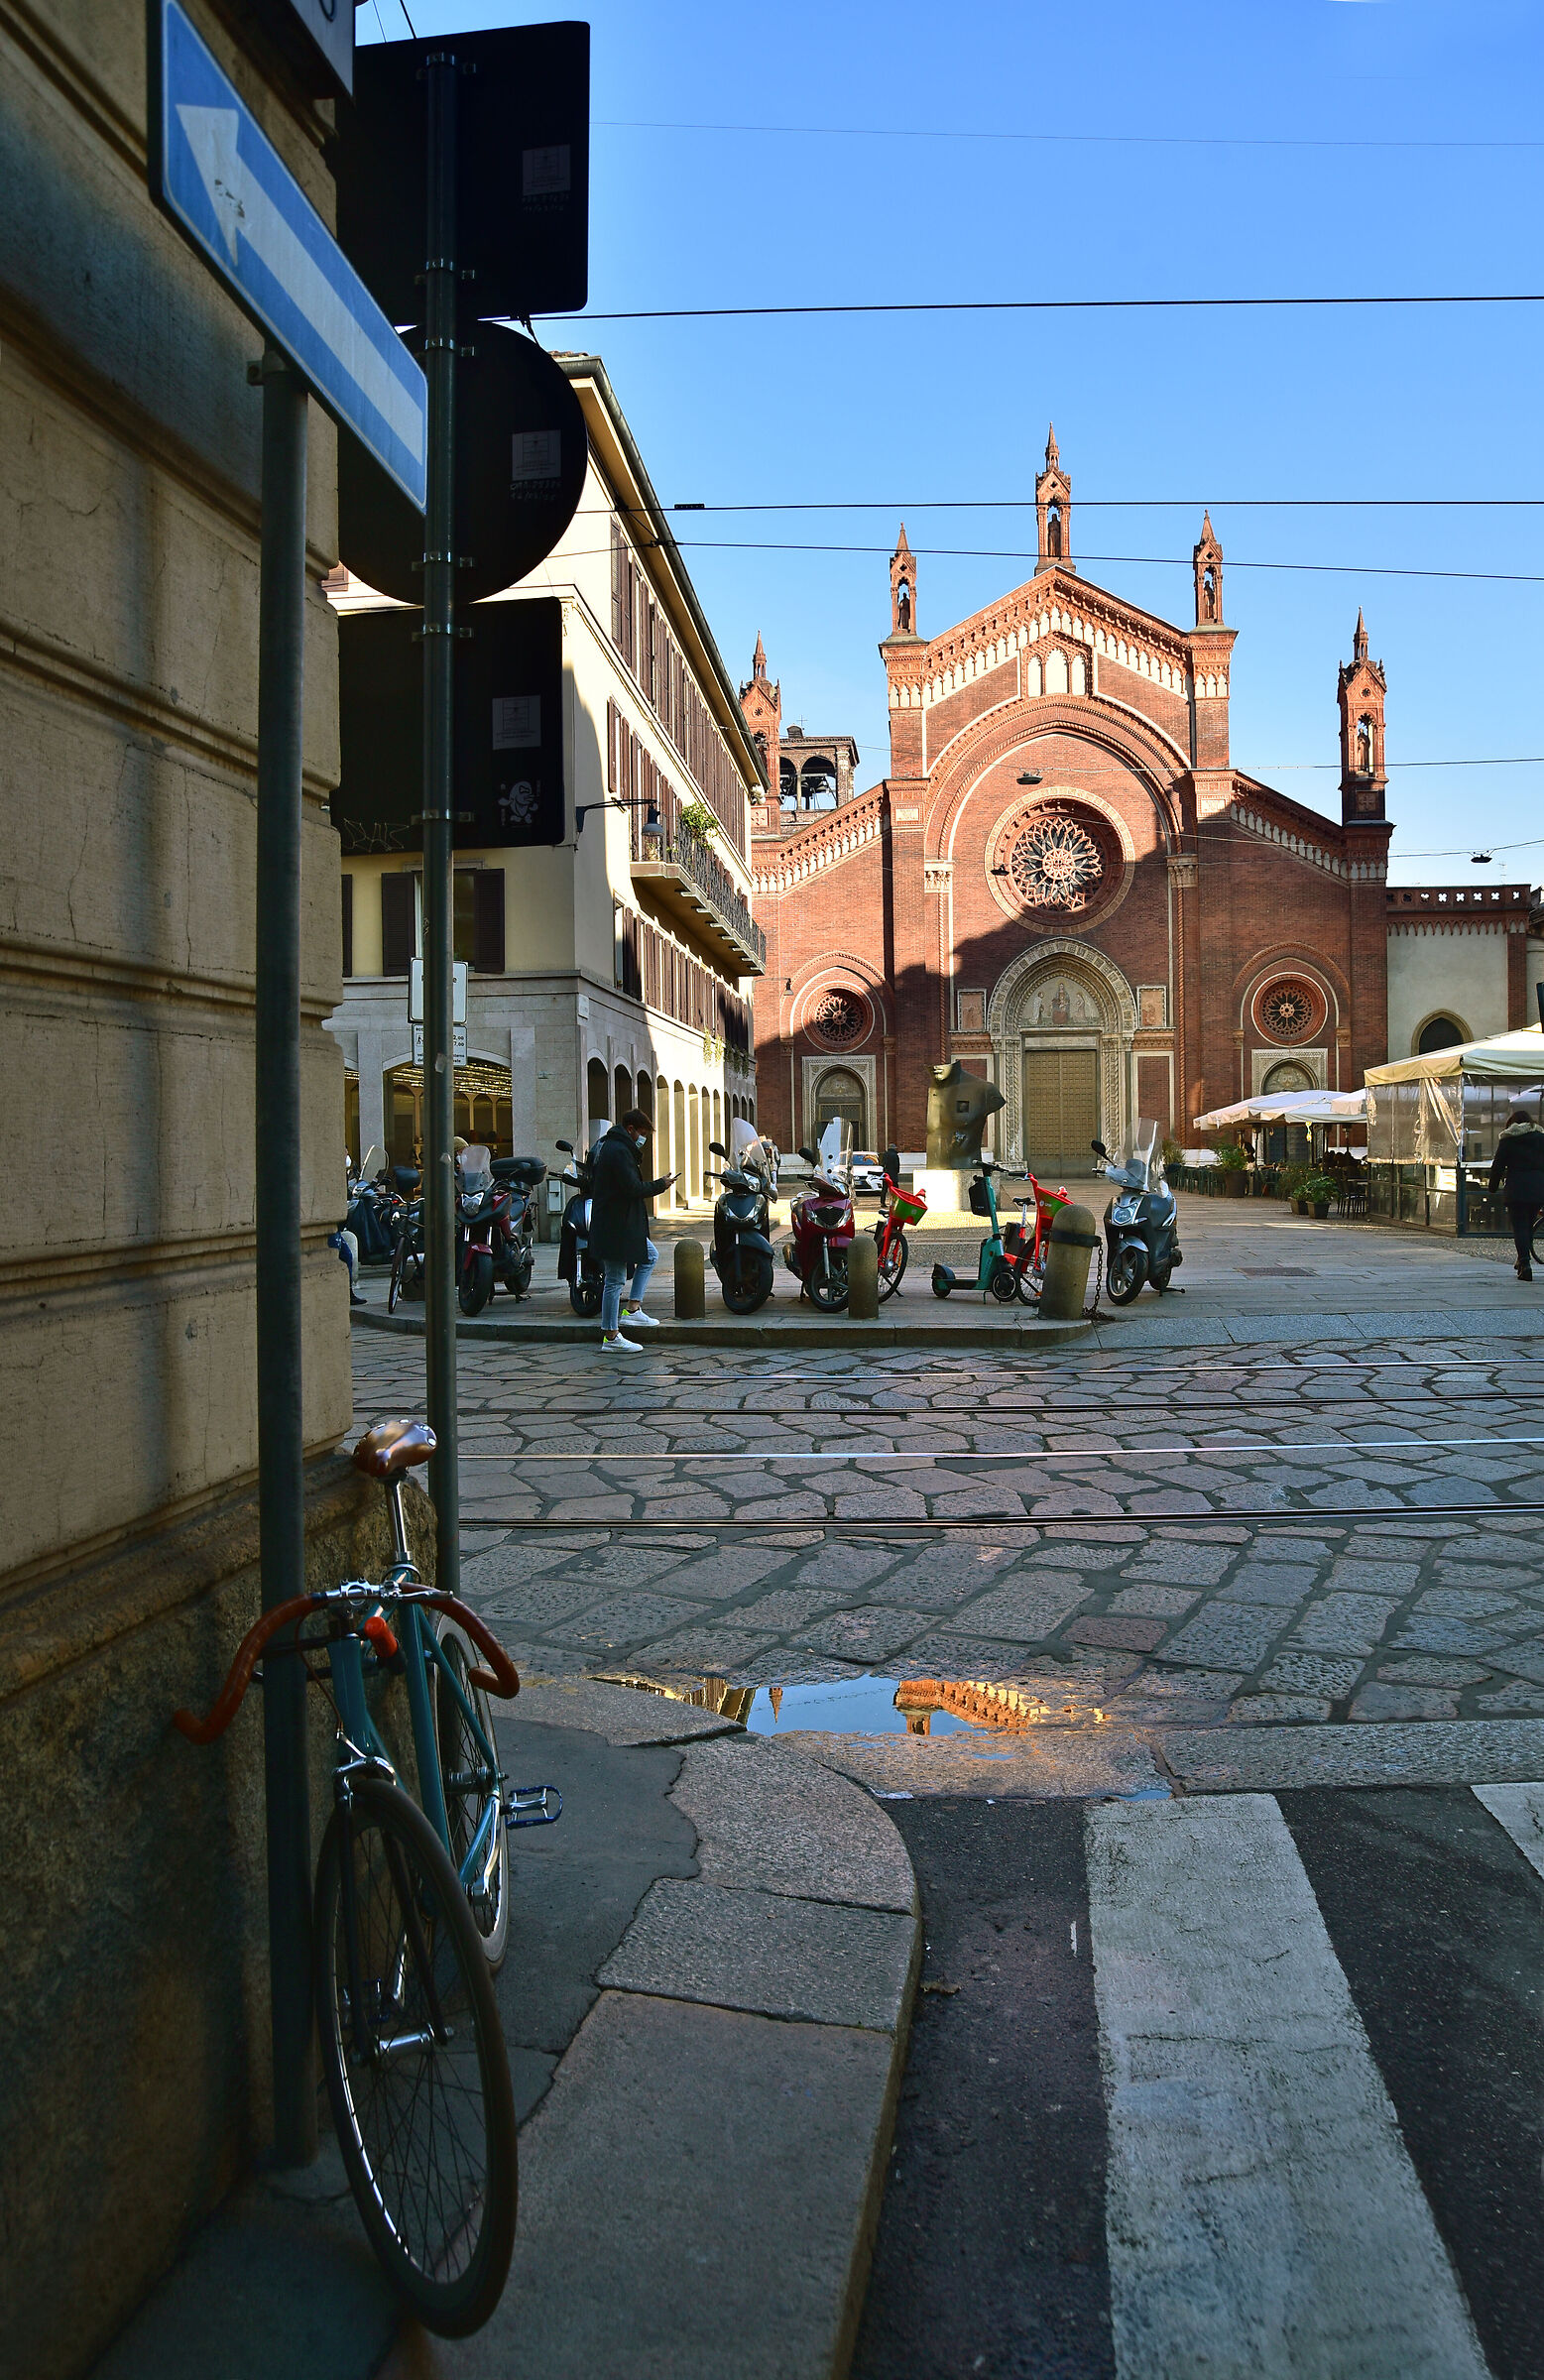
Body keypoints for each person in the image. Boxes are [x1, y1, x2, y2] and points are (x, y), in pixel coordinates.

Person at [590, 1108, 674, 1351]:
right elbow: (632, 1188)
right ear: (631, 1129)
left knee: (650, 1256)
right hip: (616, 1225)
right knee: (614, 1280)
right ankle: (611, 1336)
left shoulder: (614, 1146)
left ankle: (633, 1308)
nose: (643, 1139)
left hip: (621, 1223)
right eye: (642, 1133)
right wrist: (661, 1184)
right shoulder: (618, 1151)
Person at [1488, 1101, 1544, 1281]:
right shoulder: (1541, 1138)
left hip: (1516, 1188)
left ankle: (1525, 1262)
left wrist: (1493, 1186)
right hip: (1537, 1188)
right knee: (1528, 1225)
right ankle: (1522, 1260)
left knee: (1520, 1226)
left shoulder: (1508, 1139)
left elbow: (1497, 1166)